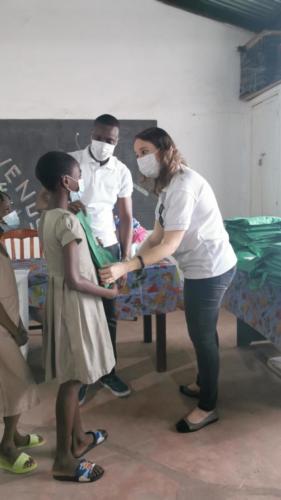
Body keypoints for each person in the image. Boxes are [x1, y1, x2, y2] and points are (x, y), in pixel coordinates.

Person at [100, 127, 237, 433]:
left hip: (211, 268)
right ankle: (204, 382)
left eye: (145, 152)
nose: (141, 160)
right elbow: (157, 235)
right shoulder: (168, 186)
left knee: (201, 335)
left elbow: (169, 246)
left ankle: (208, 406)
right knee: (203, 330)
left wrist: (129, 266)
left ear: (165, 150)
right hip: (196, 267)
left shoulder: (184, 186)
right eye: (137, 154)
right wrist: (129, 263)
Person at [35, 151, 116, 482]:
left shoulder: (50, 216)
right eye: (78, 175)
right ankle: (63, 460)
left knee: (76, 373)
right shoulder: (67, 221)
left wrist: (72, 211)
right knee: (71, 382)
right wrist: (109, 293)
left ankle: (79, 440)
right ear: (66, 182)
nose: (81, 180)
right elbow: (75, 279)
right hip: (76, 303)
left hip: (64, 301)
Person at [69, 114, 133, 399]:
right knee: (83, 312)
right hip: (77, 244)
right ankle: (84, 375)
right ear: (90, 134)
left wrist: (126, 258)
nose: (104, 144)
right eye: (99, 137)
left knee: (109, 314)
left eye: (110, 140)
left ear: (117, 142)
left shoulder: (121, 170)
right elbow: (44, 200)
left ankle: (109, 371)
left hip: (108, 247)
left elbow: (126, 216)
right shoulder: (70, 163)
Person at [0, 239, 44, 475]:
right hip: (2, 329)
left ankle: (14, 436)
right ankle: (6, 446)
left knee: (9, 384)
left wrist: (16, 323)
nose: (7, 204)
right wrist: (14, 329)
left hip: (7, 324)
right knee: (19, 384)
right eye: (3, 200)